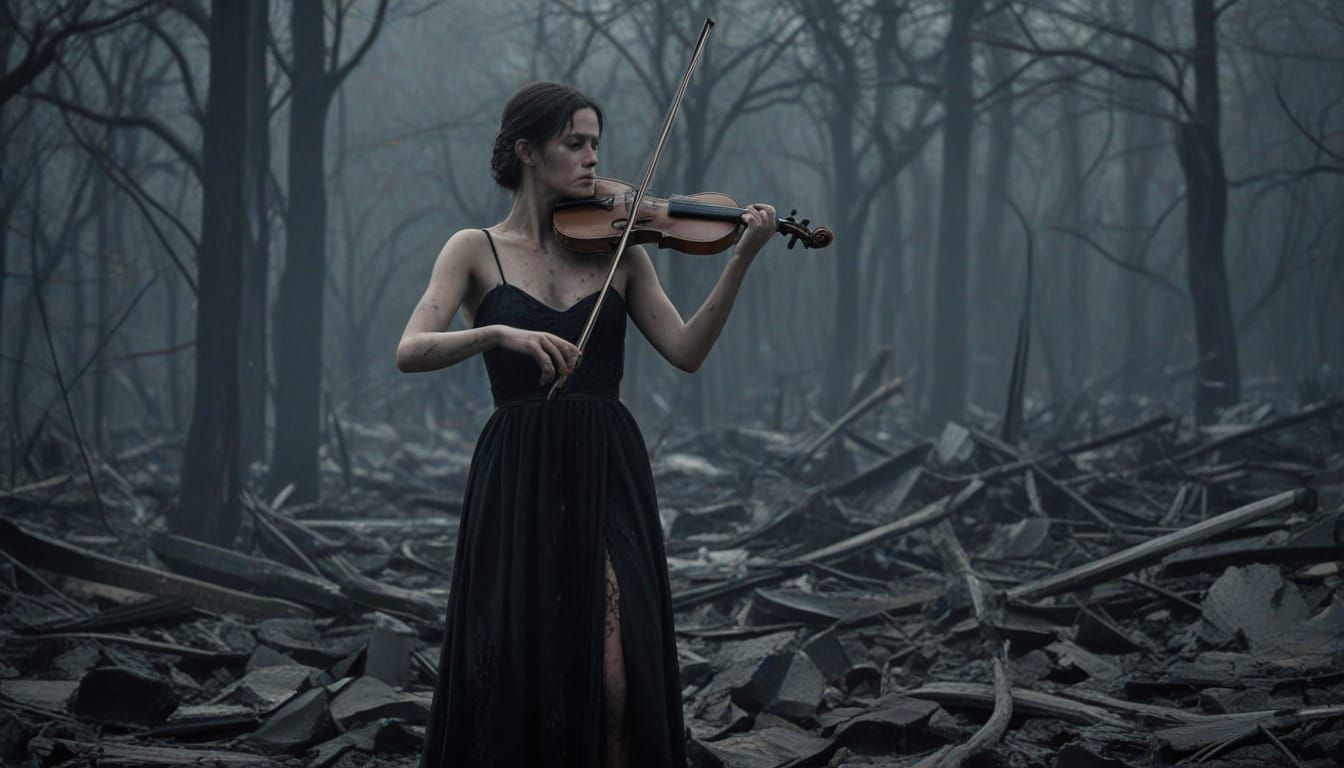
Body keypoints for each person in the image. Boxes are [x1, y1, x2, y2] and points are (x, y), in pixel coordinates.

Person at [397, 81, 776, 768]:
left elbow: (687, 351)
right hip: (519, 473)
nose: (592, 159)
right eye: (575, 143)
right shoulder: (473, 249)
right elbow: (411, 350)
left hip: (607, 466)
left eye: (596, 143)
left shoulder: (623, 250)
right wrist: (495, 335)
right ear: (527, 152)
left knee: (615, 669)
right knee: (521, 662)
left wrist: (741, 259)